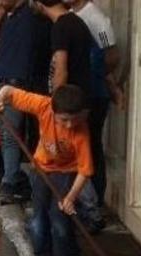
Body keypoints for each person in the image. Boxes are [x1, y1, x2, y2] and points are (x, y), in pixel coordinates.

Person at [0, 84, 93, 256]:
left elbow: (85, 171)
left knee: (59, 218)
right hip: (43, 168)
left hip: (67, 172)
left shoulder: (81, 131)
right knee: (38, 219)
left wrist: (71, 197)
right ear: (54, 112)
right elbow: (9, 91)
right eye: (64, 120)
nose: (69, 125)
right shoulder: (44, 106)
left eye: (74, 120)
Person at [35, 0, 103, 231]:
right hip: (79, 102)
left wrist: (55, 105)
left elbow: (61, 68)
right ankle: (89, 210)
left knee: (78, 159)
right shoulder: (76, 22)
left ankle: (91, 212)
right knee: (82, 157)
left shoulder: (61, 27)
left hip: (71, 105)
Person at [0, 0, 51, 205]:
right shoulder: (9, 16)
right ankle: (11, 180)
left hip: (20, 83)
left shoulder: (35, 13)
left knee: (12, 136)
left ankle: (13, 180)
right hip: (2, 83)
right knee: (8, 136)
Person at [69, 0, 125, 208]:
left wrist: (98, 77)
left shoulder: (96, 18)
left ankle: (95, 202)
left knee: (91, 147)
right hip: (81, 93)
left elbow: (112, 55)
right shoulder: (71, 14)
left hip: (93, 95)